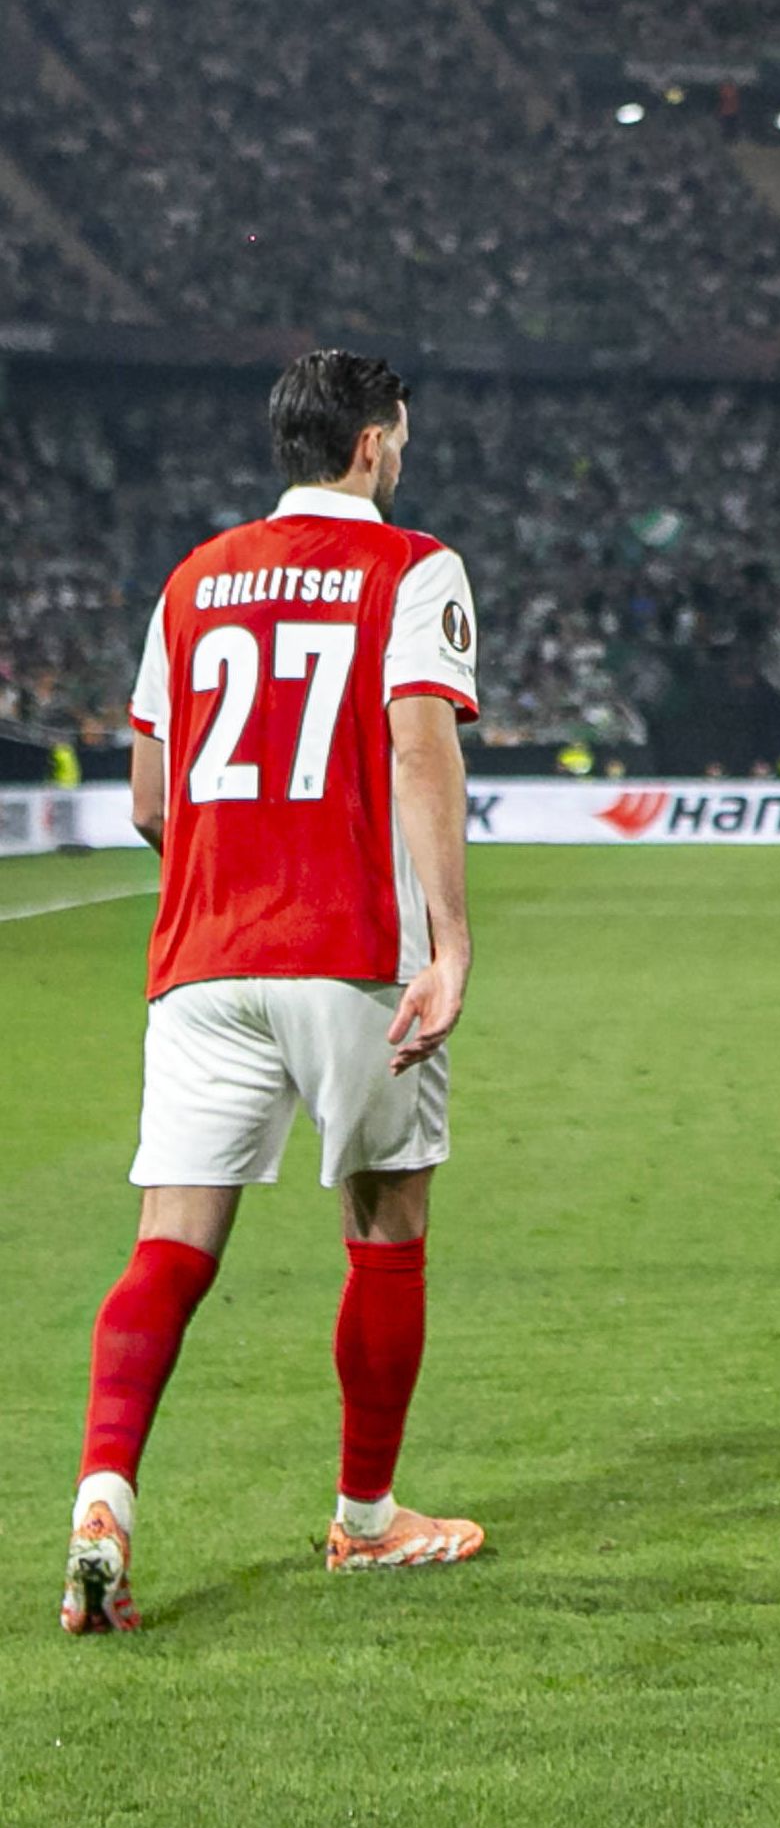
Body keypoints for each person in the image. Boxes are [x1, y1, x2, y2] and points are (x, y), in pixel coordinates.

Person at [66, 349, 486, 1636]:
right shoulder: (414, 565)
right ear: (369, 444)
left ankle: (103, 1498)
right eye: (397, 434)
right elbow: (420, 745)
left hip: (203, 957)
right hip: (350, 948)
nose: (400, 452)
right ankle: (366, 1516)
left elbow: (149, 798)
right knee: (387, 1215)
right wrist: (451, 941)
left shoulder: (193, 577)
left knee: (169, 1245)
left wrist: (228, 872)